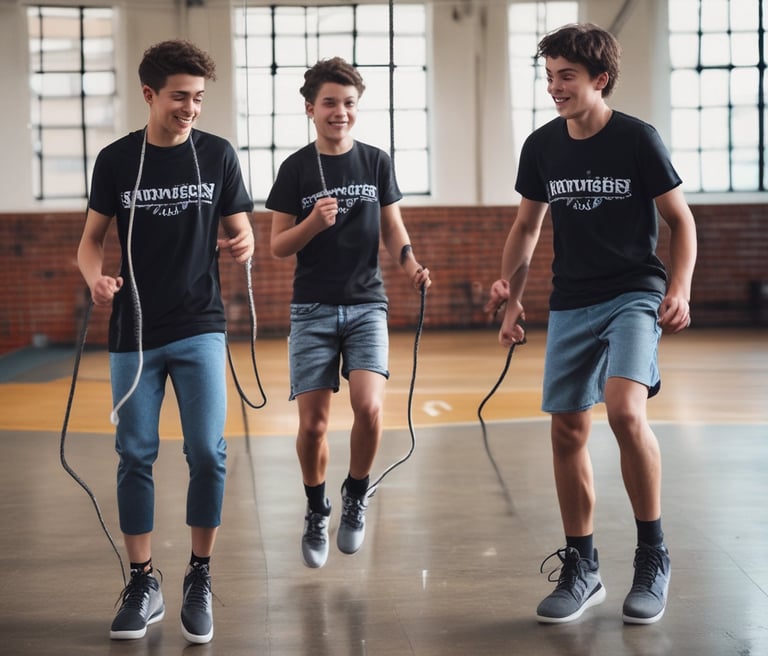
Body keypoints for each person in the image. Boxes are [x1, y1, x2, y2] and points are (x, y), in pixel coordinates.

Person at [485, 23, 697, 625]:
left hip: (633, 291)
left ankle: (653, 556)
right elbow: (527, 228)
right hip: (570, 299)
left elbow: (681, 222)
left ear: (599, 79)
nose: (554, 87)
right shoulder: (543, 146)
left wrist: (678, 287)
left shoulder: (637, 139)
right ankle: (584, 567)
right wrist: (512, 297)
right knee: (566, 432)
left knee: (626, 410)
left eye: (567, 77)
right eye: (549, 76)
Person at [77, 40, 254, 643]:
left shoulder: (219, 156)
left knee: (207, 451)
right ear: (150, 95)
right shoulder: (116, 160)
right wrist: (93, 278)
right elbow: (89, 239)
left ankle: (199, 574)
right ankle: (142, 580)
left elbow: (242, 229)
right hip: (133, 330)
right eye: (180, 97)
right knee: (136, 453)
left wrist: (244, 244)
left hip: (200, 324)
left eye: (200, 98)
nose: (191, 108)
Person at [266, 57, 431, 569]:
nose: (340, 112)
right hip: (312, 309)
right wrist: (313, 223)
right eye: (330, 103)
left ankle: (355, 493)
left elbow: (393, 230)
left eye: (349, 104)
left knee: (370, 407)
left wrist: (411, 266)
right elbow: (276, 246)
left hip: (366, 305)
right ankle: (317, 509)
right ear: (311, 108)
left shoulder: (375, 162)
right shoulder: (295, 168)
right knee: (313, 426)